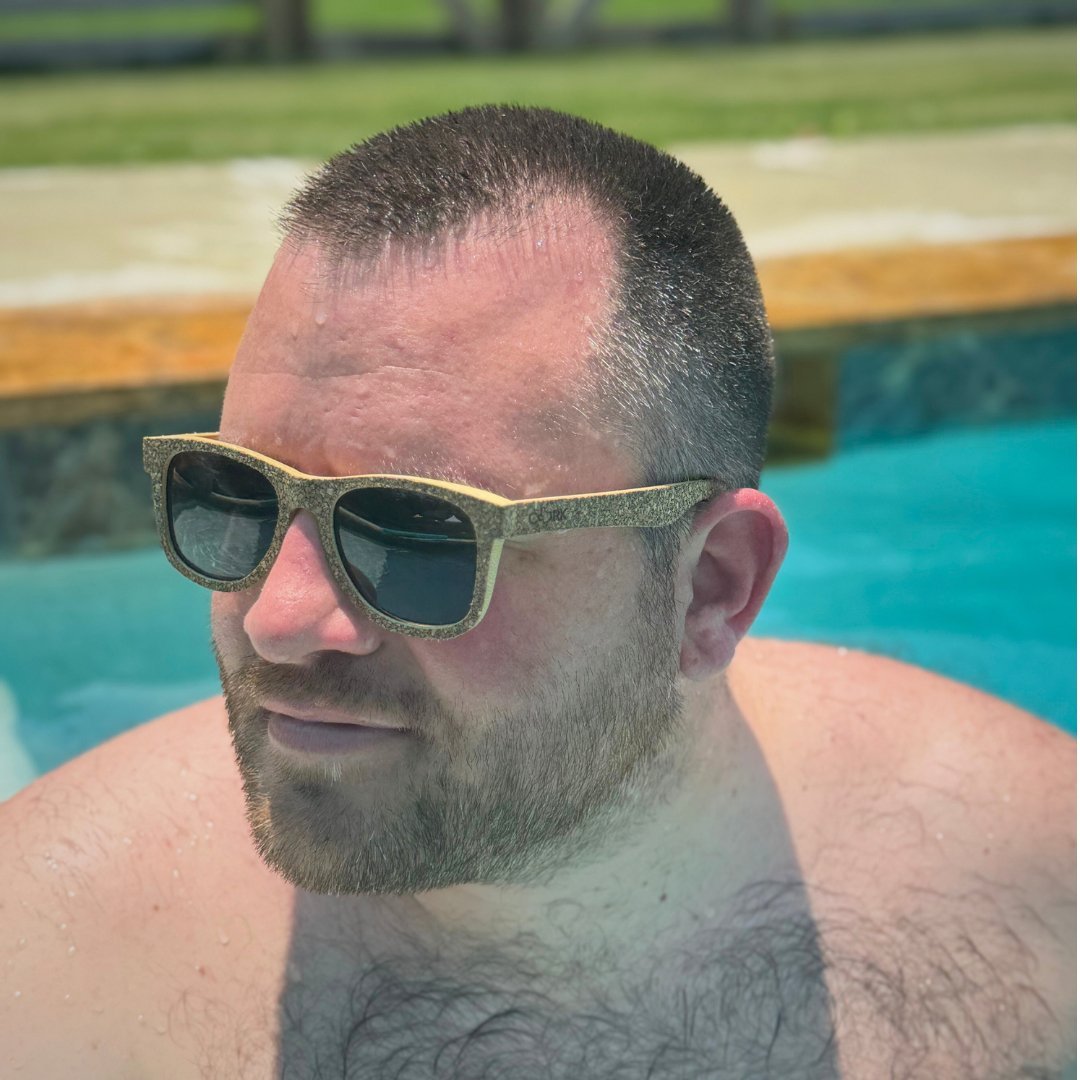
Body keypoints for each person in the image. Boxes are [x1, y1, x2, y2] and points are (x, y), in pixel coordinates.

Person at [1, 106, 1074, 1079]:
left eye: (420, 531)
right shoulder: (48, 962)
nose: (280, 622)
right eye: (230, 496)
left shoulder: (1036, 898)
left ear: (712, 587)